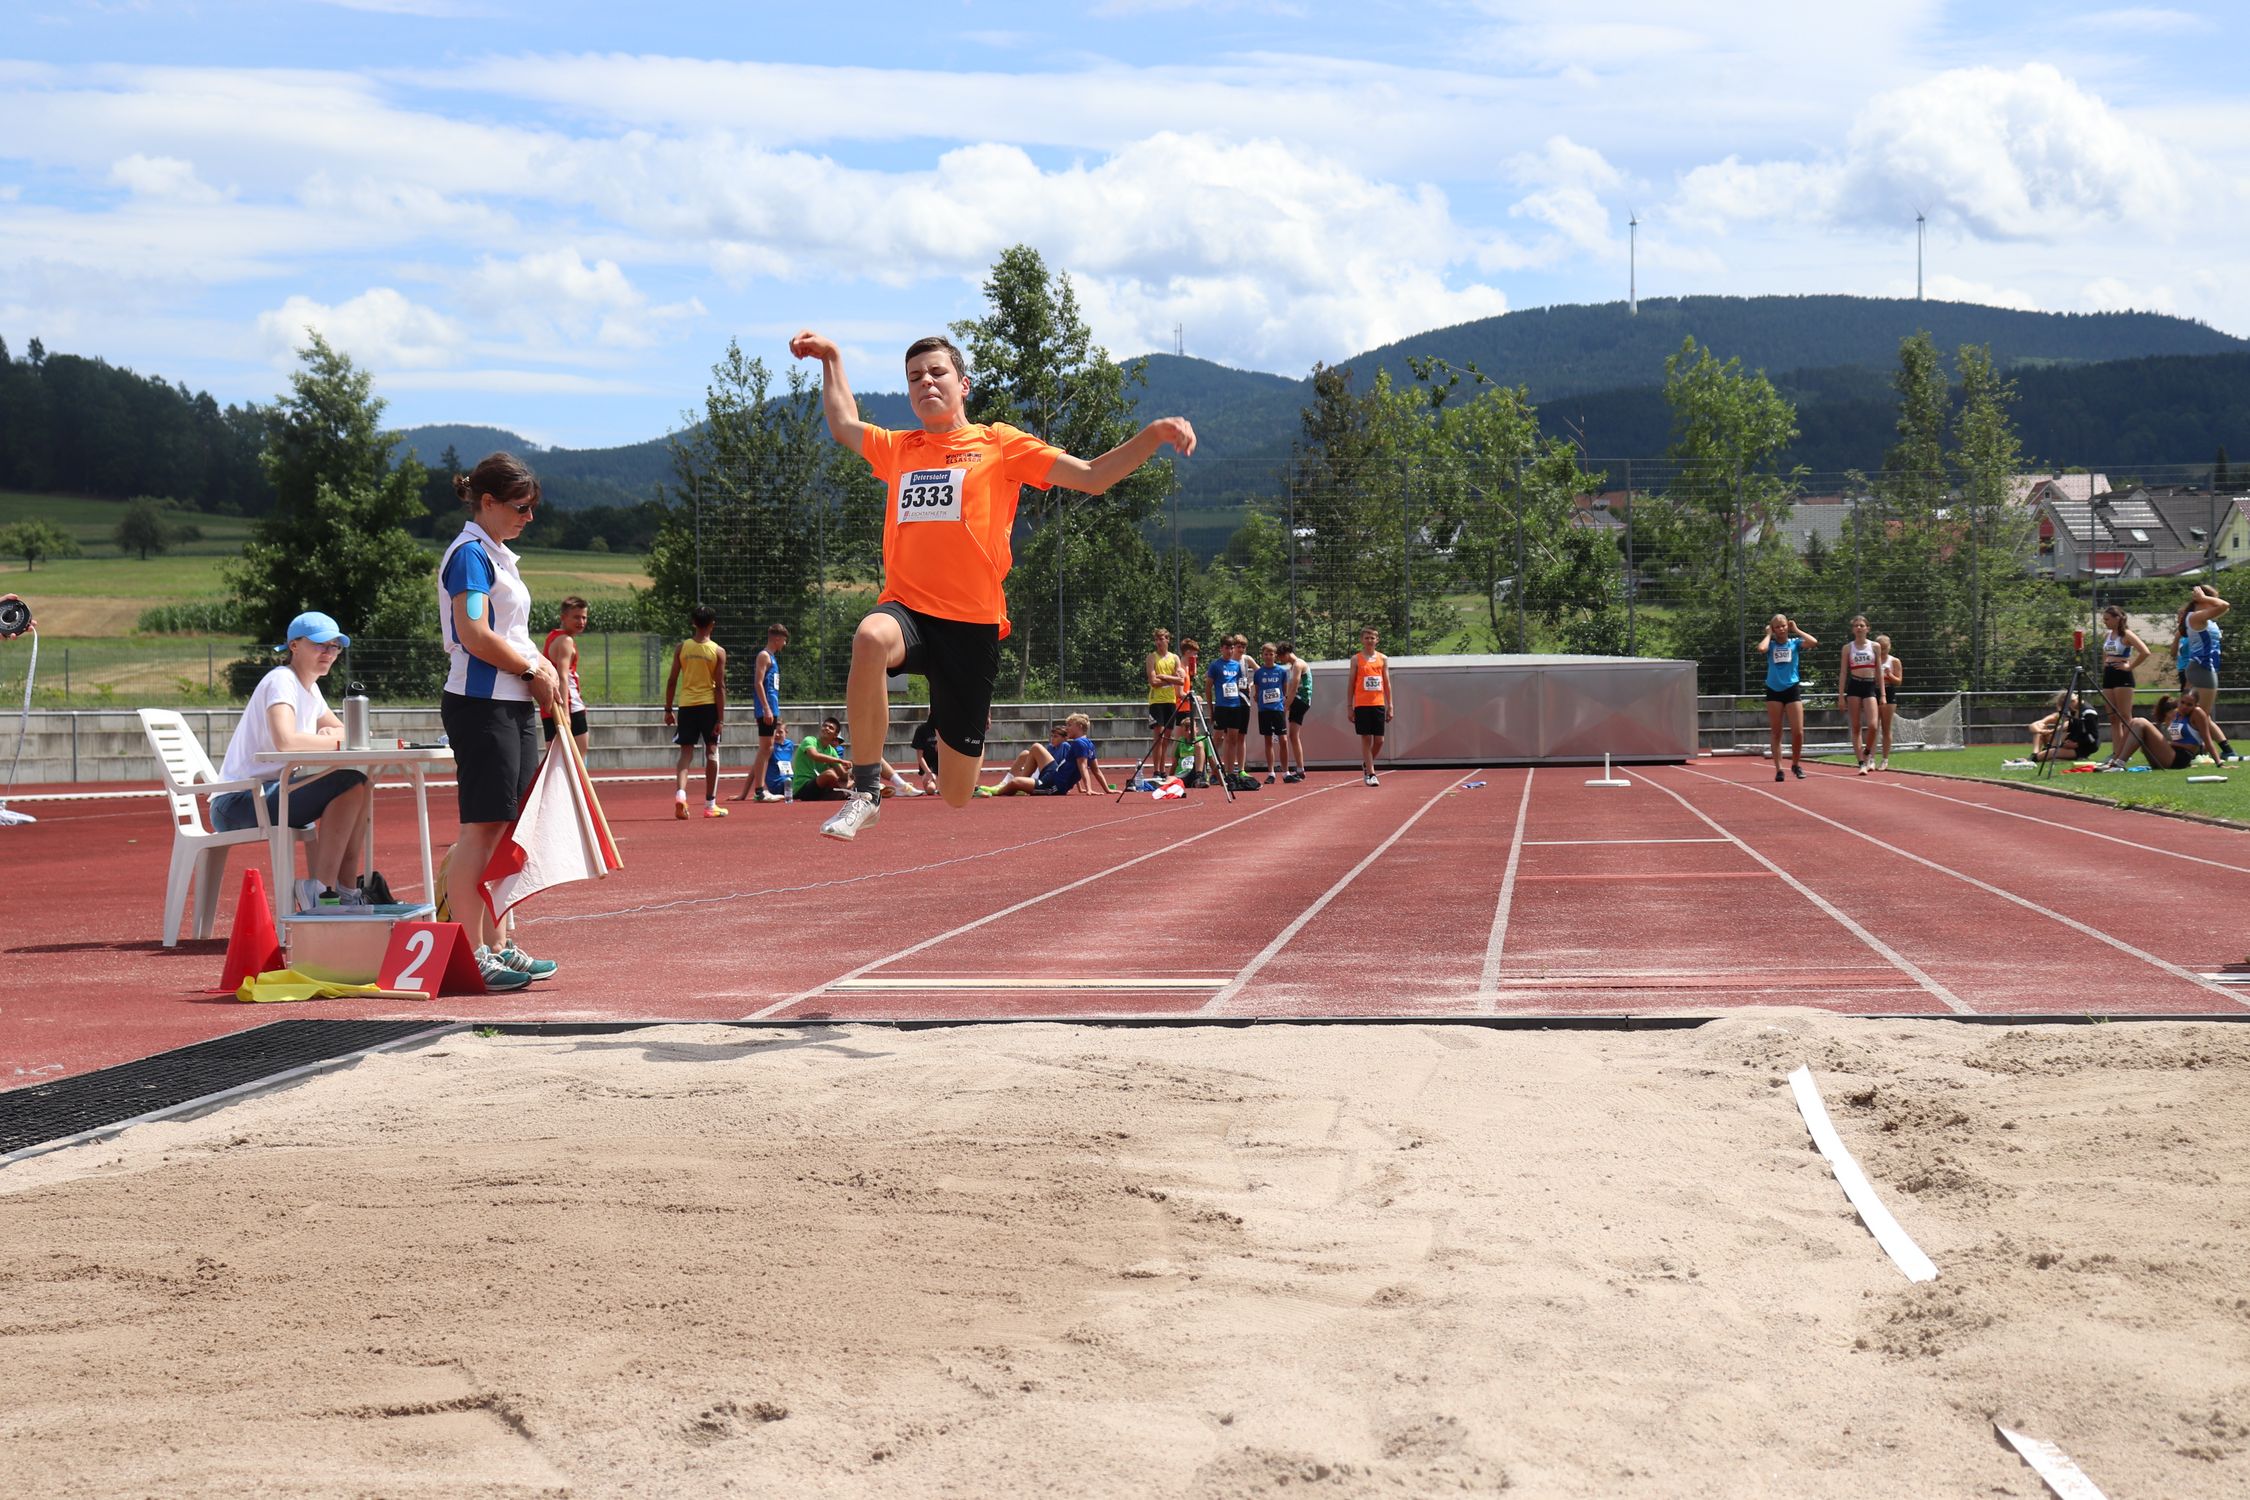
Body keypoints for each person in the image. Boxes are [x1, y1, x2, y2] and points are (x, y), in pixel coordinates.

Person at [791, 329, 1194, 841]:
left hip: (970, 627)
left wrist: (1154, 433)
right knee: (869, 637)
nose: (925, 383)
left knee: (958, 792)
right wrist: (832, 358)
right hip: (907, 610)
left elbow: (1092, 476)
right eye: (914, 377)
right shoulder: (899, 449)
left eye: (937, 373)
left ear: (964, 384)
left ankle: (947, 718)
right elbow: (844, 423)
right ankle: (866, 792)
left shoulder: (999, 444)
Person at [437, 451, 562, 991]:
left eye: (533, 508)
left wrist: (538, 676)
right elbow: (476, 636)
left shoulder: (499, 554)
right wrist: (535, 665)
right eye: (520, 507)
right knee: (482, 828)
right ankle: (471, 949)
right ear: (486, 503)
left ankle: (500, 943)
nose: (528, 517)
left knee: (510, 829)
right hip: (481, 705)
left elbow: (508, 634)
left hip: (512, 703)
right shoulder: (470, 555)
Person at [210, 611, 372, 915]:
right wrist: (335, 739)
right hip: (237, 802)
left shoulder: (310, 689)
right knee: (348, 782)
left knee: (360, 782)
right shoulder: (281, 680)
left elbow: (350, 731)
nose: (329, 653)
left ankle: (346, 890)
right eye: (320, 645)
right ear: (294, 646)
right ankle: (321, 891)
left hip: (271, 793)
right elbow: (286, 740)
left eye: (334, 647)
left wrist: (334, 734)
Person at [663, 604, 728, 820]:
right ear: (712, 625)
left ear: (693, 623)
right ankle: (710, 804)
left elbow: (672, 680)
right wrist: (721, 718)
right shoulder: (717, 651)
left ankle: (681, 794)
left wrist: (668, 709)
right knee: (712, 751)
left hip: (687, 705)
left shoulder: (682, 648)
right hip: (708, 706)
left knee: (685, 753)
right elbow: (719, 686)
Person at [982, 714, 1110, 797]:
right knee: (1036, 747)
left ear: (1080, 727)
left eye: (1070, 725)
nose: (1067, 728)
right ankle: (1022, 787)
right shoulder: (1089, 744)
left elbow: (1084, 767)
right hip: (1053, 773)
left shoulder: (1079, 743)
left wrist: (1088, 789)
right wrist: (1107, 789)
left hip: (1053, 786)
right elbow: (1096, 770)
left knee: (1015, 782)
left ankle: (996, 792)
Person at [1755, 613, 1817, 783]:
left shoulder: (1795, 643)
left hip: (1792, 688)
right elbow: (1761, 649)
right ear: (1773, 629)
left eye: (1783, 625)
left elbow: (1813, 642)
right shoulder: (1771, 645)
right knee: (1776, 731)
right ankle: (1779, 769)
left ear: (1787, 627)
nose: (1781, 629)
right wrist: (1768, 635)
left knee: (1798, 732)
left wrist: (1796, 629)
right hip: (1774, 690)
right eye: (1777, 627)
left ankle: (1796, 764)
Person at [2176, 585, 2235, 761]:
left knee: (2196, 713)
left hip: (2201, 668)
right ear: (2203, 602)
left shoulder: (2204, 619)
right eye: (2209, 601)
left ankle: (2197, 749)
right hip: (2203, 669)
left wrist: (2204, 600)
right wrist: (2203, 598)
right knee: (2201, 715)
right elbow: (2224, 605)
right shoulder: (2196, 617)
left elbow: (2222, 608)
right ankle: (2196, 751)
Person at [733, 623, 790, 804]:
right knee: (766, 748)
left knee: (767, 748)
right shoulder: (764, 656)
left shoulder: (772, 657)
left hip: (772, 709)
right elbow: (758, 683)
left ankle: (758, 790)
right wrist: (765, 707)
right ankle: (759, 791)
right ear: (777, 638)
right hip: (766, 709)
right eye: (784, 640)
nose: (785, 644)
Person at [2095, 605, 2150, 769]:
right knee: (2112, 717)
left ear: (2117, 618)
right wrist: (2106, 664)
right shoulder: (2108, 635)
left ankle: (2126, 753)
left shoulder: (2126, 635)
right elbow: (2105, 654)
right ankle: (2116, 752)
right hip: (2109, 675)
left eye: (2107, 619)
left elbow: (2145, 652)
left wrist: (2129, 666)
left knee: (2125, 716)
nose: (2104, 622)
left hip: (2122, 677)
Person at [540, 595, 590, 762]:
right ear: (563, 618)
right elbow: (562, 676)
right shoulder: (566, 641)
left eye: (584, 617)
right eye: (576, 617)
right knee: (578, 759)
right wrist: (565, 713)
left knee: (555, 761)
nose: (581, 621)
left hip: (550, 706)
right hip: (568, 706)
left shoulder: (552, 637)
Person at [2111, 693, 2206, 770]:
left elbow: (2195, 746)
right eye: (2182, 703)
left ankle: (2120, 763)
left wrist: (2218, 761)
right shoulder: (2175, 722)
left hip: (2178, 759)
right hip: (2171, 755)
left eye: (2189, 705)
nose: (2184, 707)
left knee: (2140, 722)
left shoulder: (2194, 717)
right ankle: (2114, 761)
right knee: (2134, 721)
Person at [1207, 634, 1252, 788]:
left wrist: (1249, 687)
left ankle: (1230, 772)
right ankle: (1213, 772)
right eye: (1226, 648)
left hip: (1236, 706)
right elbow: (1208, 687)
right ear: (1221, 649)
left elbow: (1240, 684)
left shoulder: (1236, 666)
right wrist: (1211, 709)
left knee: (1233, 739)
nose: (1229, 650)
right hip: (1221, 707)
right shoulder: (1215, 665)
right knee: (1217, 739)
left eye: (1231, 648)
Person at [1839, 615, 1882, 775]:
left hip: (1870, 685)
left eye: (1862, 625)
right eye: (1856, 625)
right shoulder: (1848, 648)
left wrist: (1883, 694)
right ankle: (1861, 763)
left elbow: (1878, 670)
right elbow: (1843, 672)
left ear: (1867, 628)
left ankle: (1868, 753)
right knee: (1856, 726)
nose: (1859, 628)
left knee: (1873, 725)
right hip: (1854, 685)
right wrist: (1841, 696)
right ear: (1853, 629)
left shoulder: (1875, 646)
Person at [1349, 626, 1392, 786]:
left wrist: (1391, 705)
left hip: (1378, 703)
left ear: (1377, 640)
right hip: (1361, 704)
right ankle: (1371, 773)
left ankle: (1367, 764)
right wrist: (1349, 706)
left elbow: (1387, 683)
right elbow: (1351, 684)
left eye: (1372, 638)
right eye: (1366, 638)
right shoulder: (1356, 659)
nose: (1369, 640)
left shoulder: (1383, 659)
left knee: (1379, 740)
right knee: (1366, 738)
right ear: (1362, 640)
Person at [1143, 626, 1185, 785]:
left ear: (1168, 640)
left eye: (1162, 639)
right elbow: (1153, 682)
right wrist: (1171, 678)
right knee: (1158, 736)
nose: (1160, 642)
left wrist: (1164, 677)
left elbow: (1181, 680)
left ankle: (1162, 769)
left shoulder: (1174, 658)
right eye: (1157, 639)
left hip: (1170, 700)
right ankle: (1156, 770)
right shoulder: (1152, 658)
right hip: (1156, 701)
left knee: (1167, 737)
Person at [1252, 641, 1291, 784]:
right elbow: (1257, 693)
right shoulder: (1259, 673)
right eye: (1266, 654)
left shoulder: (1281, 671)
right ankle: (1271, 772)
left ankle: (1286, 772)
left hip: (1278, 709)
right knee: (1268, 740)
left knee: (1283, 740)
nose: (1268, 656)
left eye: (1271, 654)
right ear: (1262, 656)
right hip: (1264, 711)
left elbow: (1285, 690)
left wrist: (1283, 703)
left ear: (1275, 655)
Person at [2028, 688, 2100, 764]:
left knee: (2051, 753)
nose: (2069, 707)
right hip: (2073, 743)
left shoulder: (2088, 713)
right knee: (2050, 752)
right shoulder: (2073, 711)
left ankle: (2032, 759)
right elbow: (2072, 730)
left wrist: (2077, 744)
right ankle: (2037, 757)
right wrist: (2068, 741)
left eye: (2072, 702)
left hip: (2084, 746)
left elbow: (2093, 736)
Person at [792, 715, 852, 801]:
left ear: (835, 735)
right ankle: (846, 791)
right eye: (825, 726)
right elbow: (814, 755)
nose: (826, 728)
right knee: (830, 774)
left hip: (818, 788)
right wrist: (840, 760)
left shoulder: (831, 751)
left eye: (830, 728)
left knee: (845, 778)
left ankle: (846, 791)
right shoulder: (809, 740)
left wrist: (853, 772)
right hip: (802, 787)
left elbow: (842, 774)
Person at [1280, 640, 1311, 782]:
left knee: (1293, 735)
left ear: (1286, 654)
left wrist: (1286, 705)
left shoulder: (1298, 664)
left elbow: (1294, 687)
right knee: (1293, 735)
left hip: (1301, 700)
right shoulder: (1293, 666)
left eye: (1281, 657)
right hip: (1298, 700)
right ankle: (1300, 769)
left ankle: (1300, 768)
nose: (1281, 660)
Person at [1875, 635, 1903, 771]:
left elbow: (1898, 681)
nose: (1883, 651)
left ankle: (1885, 759)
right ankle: (1870, 758)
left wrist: (1889, 675)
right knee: (1873, 726)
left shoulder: (1894, 661)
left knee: (1886, 727)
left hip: (1889, 691)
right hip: (1873, 692)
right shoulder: (1873, 660)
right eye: (1881, 648)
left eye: (1885, 648)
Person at [910, 713, 942, 795]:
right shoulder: (921, 730)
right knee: (930, 789)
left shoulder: (946, 729)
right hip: (930, 767)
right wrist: (929, 773)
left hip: (944, 767)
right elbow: (920, 757)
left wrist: (941, 744)